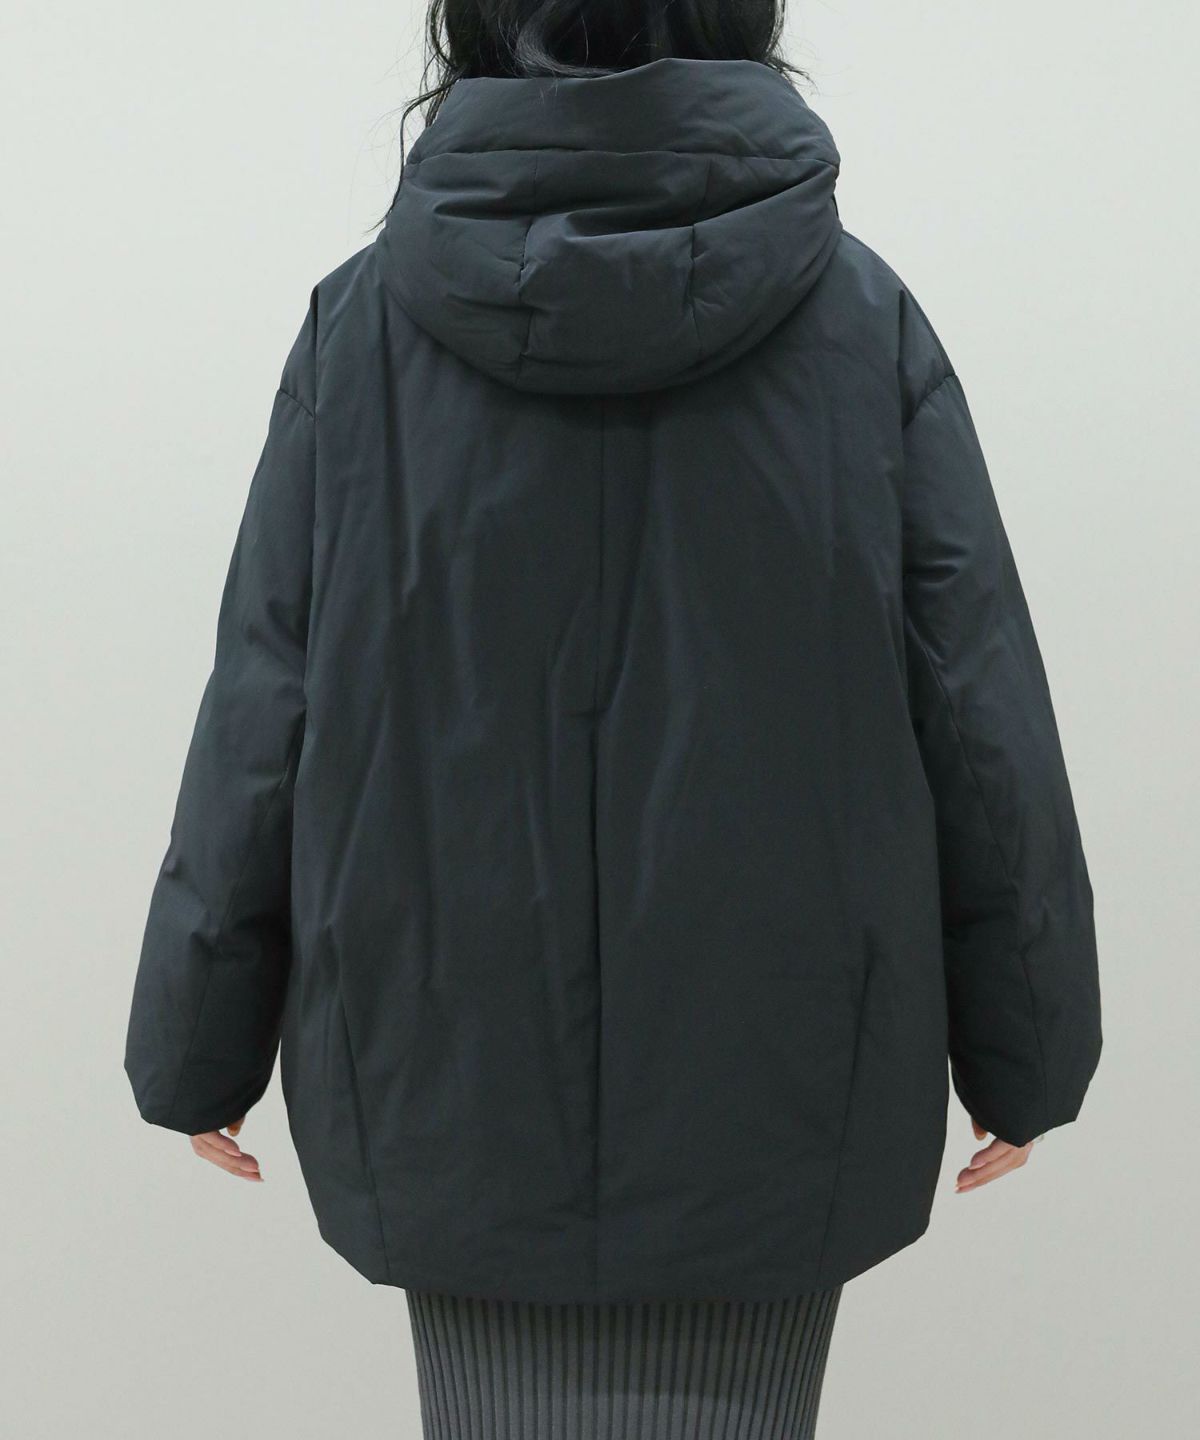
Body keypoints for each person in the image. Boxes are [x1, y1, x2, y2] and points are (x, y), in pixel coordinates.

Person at [124, 2, 1103, 1435]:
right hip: (779, 1092)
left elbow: (264, 709)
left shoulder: (359, 333)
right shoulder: (861, 324)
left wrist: (195, 1039)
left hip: (448, 1081)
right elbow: (978, 708)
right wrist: (1031, 1043)